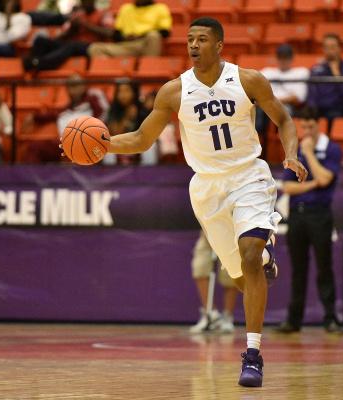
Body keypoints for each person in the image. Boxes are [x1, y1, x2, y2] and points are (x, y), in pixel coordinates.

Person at [63, 17, 308, 387]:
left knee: (250, 250)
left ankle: (253, 356)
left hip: (248, 176)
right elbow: (143, 139)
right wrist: (104, 143)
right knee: (244, 278)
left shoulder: (248, 80)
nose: (193, 45)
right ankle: (264, 262)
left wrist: (290, 153)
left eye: (202, 39)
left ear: (219, 45)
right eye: (190, 39)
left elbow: (284, 119)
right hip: (206, 187)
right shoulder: (174, 92)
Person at [275, 107, 343, 334]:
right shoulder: (295, 151)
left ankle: (331, 318)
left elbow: (326, 178)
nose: (307, 130)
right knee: (298, 269)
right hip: (297, 215)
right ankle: (294, 321)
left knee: (324, 267)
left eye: (311, 126)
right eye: (303, 126)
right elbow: (288, 186)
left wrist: (310, 154)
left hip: (320, 214)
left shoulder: (331, 148)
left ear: (319, 124)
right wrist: (313, 184)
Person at [23, 74, 109, 163]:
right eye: (71, 86)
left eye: (77, 85)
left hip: (88, 141)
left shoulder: (93, 98)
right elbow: (51, 114)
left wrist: (91, 134)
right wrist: (34, 117)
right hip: (65, 144)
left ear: (84, 85)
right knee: (34, 147)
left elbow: (105, 113)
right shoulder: (65, 110)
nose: (74, 90)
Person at [23, 0, 114, 72]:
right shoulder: (78, 15)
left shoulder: (103, 14)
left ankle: (41, 63)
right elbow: (62, 36)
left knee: (72, 45)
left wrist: (86, 25)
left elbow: (110, 33)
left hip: (90, 47)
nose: (85, 2)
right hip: (71, 44)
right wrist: (72, 30)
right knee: (41, 40)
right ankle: (32, 62)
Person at [257, 43, 309, 157]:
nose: (283, 60)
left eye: (286, 57)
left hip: (288, 108)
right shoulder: (267, 72)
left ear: (291, 58)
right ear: (277, 58)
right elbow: (257, 93)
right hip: (266, 106)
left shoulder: (300, 72)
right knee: (257, 111)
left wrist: (272, 100)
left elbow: (298, 98)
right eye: (281, 57)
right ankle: (259, 145)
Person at [306, 33, 343, 132]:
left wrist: (337, 74)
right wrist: (311, 113)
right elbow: (311, 95)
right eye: (326, 47)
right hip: (317, 111)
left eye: (333, 47)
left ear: (340, 48)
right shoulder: (316, 70)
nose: (329, 51)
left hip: (337, 110)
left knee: (334, 115)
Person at [190, 231, 238, 334]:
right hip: (207, 229)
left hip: (230, 230)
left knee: (231, 272)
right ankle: (211, 314)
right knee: (200, 267)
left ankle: (227, 317)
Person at [88, 0, 171, 57]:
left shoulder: (160, 8)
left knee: (154, 35)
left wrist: (140, 36)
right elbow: (117, 34)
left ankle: (148, 68)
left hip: (145, 44)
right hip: (127, 44)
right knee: (95, 48)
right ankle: (116, 77)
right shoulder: (126, 8)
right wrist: (125, 38)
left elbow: (165, 32)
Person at [105, 80, 148, 165]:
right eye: (120, 91)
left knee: (151, 146)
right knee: (106, 146)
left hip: (138, 142)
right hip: (120, 142)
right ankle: (110, 175)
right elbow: (114, 132)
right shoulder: (113, 109)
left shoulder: (141, 108)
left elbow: (147, 132)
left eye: (127, 90)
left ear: (134, 92)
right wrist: (127, 118)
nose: (123, 95)